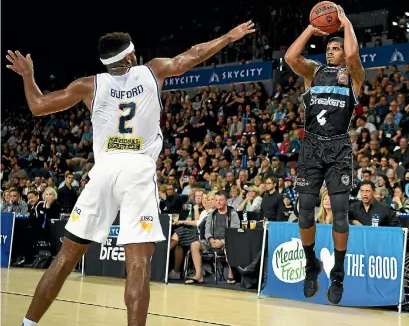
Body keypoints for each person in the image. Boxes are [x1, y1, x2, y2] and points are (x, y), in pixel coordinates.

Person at [6, 20, 255, 326]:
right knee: (138, 264)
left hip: (104, 171)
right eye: (133, 51)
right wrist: (230, 36)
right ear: (127, 58)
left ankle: (27, 324)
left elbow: (38, 105)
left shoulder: (88, 84)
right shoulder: (153, 70)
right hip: (137, 169)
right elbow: (194, 54)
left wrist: (28, 76)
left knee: (65, 258)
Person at [284, 5, 365, 305]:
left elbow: (355, 56)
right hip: (312, 147)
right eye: (328, 47)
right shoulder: (314, 72)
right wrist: (310, 29)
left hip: (339, 147)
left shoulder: (353, 76)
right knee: (305, 210)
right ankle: (310, 264)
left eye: (336, 48)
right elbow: (290, 58)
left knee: (340, 216)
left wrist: (345, 24)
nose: (330, 51)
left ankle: (339, 274)